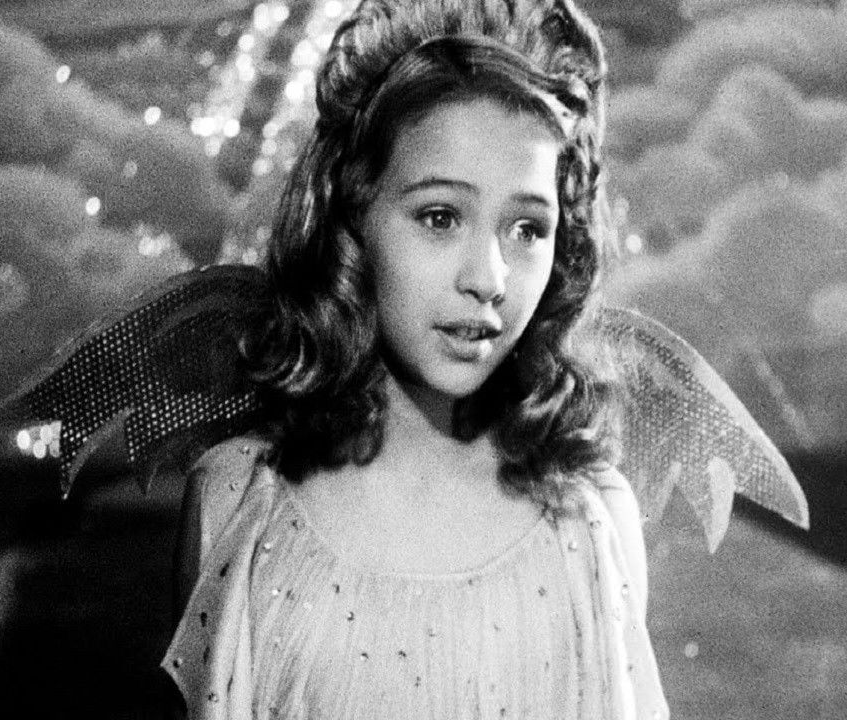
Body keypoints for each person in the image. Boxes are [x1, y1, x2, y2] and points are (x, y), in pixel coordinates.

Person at [162, 0, 672, 717]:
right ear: (354, 217)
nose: (488, 278)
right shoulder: (239, 502)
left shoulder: (592, 524)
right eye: (440, 217)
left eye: (528, 228)